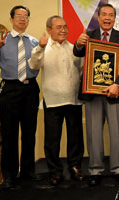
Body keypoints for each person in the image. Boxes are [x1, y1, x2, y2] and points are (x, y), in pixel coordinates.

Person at [73, 4, 119, 186]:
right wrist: (78, 44)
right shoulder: (88, 36)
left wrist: (118, 84)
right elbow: (77, 52)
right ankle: (95, 170)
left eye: (111, 15)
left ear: (115, 18)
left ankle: (118, 168)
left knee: (118, 133)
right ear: (98, 17)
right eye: (104, 14)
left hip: (116, 93)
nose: (107, 18)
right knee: (93, 133)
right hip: (92, 95)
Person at [0, 5, 40, 189]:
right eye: (19, 16)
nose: (23, 19)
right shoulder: (1, 39)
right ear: (11, 19)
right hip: (10, 89)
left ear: (28, 20)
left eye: (26, 16)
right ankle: (9, 175)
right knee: (9, 134)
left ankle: (28, 171)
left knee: (29, 133)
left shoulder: (34, 41)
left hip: (30, 89)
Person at [28, 16, 84, 186]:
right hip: (52, 101)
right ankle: (55, 171)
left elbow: (82, 70)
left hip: (73, 99)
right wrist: (40, 47)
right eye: (58, 27)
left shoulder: (74, 48)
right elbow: (33, 65)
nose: (63, 30)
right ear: (49, 30)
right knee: (52, 140)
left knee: (75, 138)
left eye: (65, 27)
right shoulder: (43, 49)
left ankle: (75, 167)